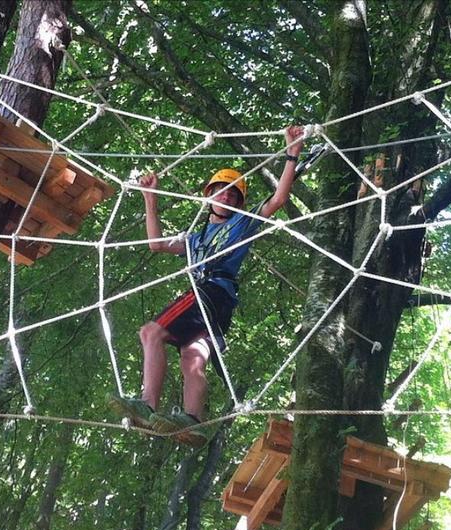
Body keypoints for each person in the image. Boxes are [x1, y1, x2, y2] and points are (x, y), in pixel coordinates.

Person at [108, 125, 306, 446]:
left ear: (239, 202)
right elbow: (156, 244)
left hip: (212, 292)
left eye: (233, 193)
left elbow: (279, 198)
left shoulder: (243, 223)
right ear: (208, 195)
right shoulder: (195, 238)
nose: (226, 196)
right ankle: (193, 421)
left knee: (150, 332)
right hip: (215, 303)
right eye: (220, 190)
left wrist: (292, 152)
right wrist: (150, 199)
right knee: (193, 356)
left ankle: (146, 403)